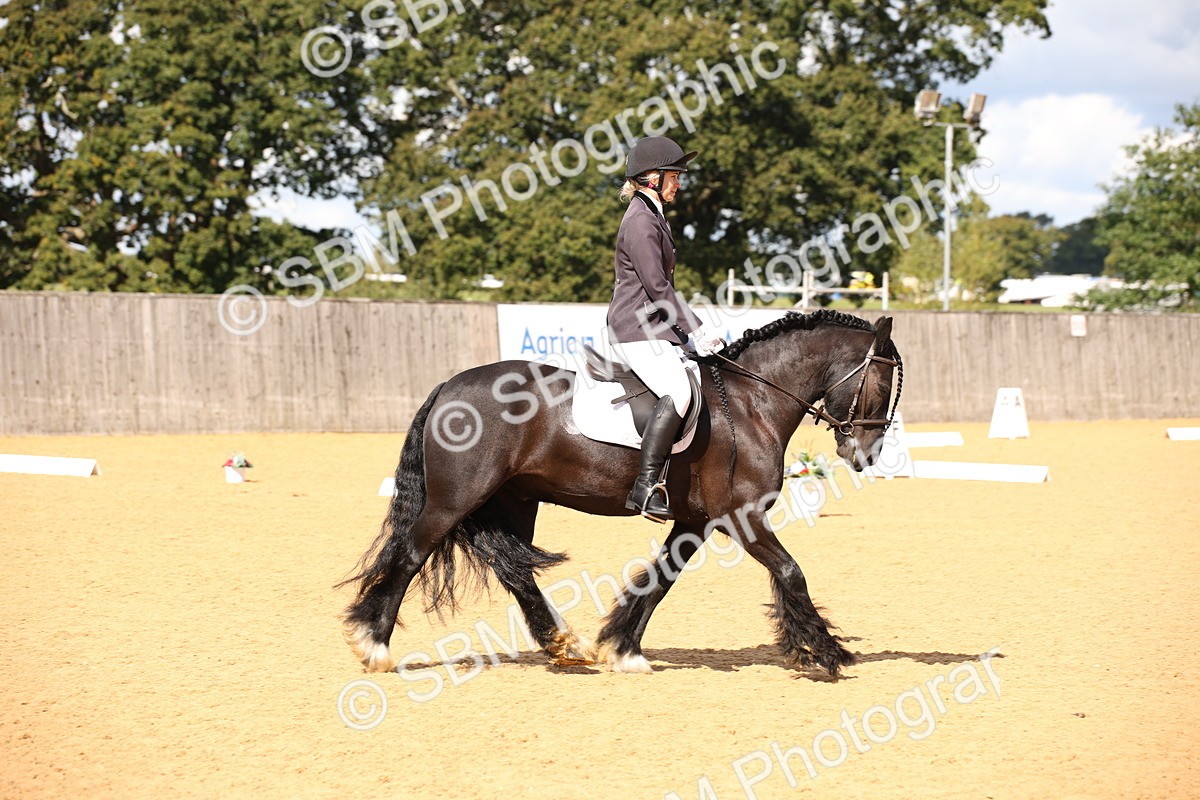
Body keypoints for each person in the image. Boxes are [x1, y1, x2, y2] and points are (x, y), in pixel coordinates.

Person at [606, 135, 726, 522]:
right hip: (635, 327)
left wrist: (685, 336)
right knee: (677, 390)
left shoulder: (653, 214)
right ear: (653, 177)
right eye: (675, 175)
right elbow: (657, 286)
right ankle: (645, 486)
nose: (680, 182)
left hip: (653, 326)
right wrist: (697, 328)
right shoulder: (641, 220)